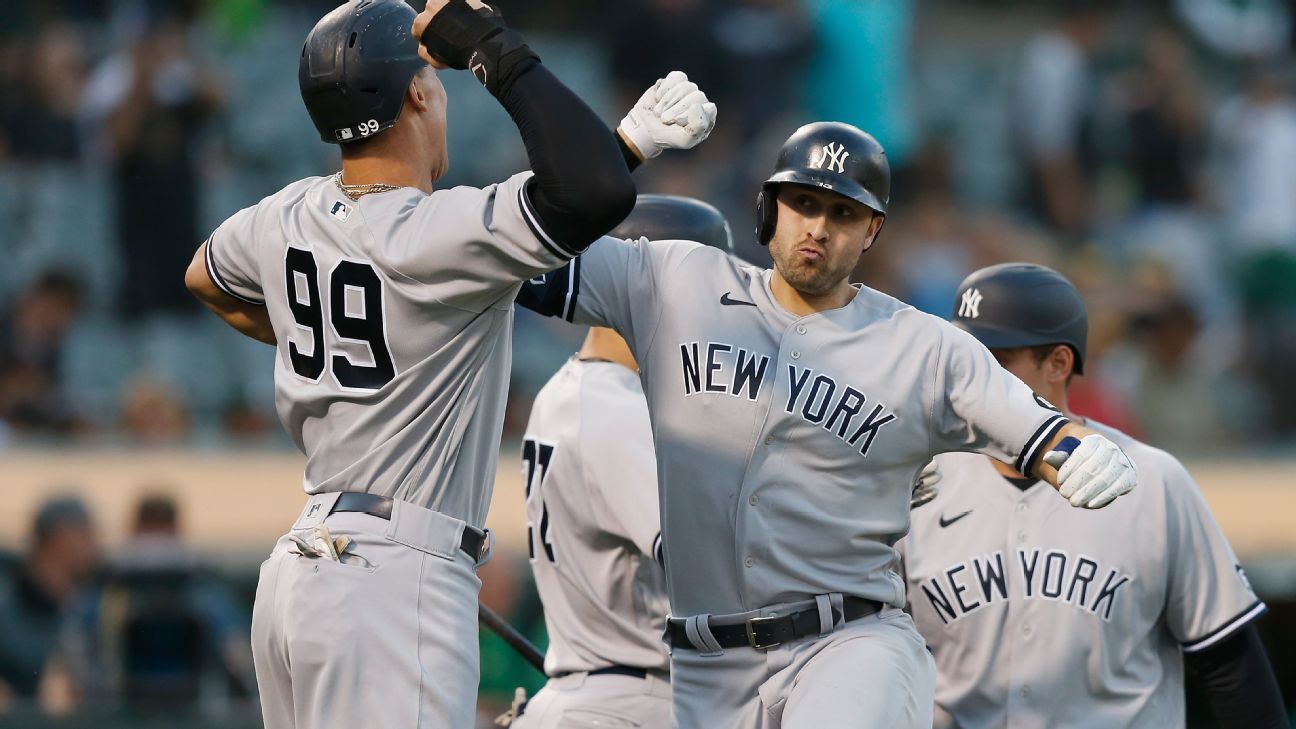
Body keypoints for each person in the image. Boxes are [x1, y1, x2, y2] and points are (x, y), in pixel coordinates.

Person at [183, 1, 714, 727]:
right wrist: (496, 51)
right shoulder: (436, 231)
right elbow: (586, 194)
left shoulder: (287, 214)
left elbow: (203, 278)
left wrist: (344, 340)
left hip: (298, 573)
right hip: (391, 576)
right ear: (418, 94)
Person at [516, 120, 1137, 729]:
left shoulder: (923, 346)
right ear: (769, 209)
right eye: (803, 203)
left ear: (873, 231)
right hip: (705, 670)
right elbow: (509, 243)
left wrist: (1081, 450)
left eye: (842, 214)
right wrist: (618, 151)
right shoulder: (675, 281)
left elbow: (1041, 431)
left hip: (849, 642)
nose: (817, 226)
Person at [900, 263, 1288, 729]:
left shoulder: (1154, 481)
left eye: (995, 361)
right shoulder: (918, 484)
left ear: (1060, 364)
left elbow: (1230, 664)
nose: (971, 380)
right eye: (965, 358)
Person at [510, 195, 736, 729]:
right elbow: (713, 569)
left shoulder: (572, 390)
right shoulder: (616, 408)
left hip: (600, 689)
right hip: (629, 702)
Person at [0, 496, 99, 703]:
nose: (93, 544)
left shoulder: (88, 604)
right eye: (85, 534)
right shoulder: (8, 608)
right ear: (61, 538)